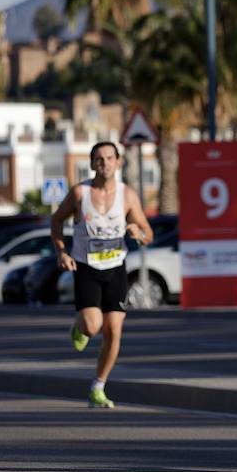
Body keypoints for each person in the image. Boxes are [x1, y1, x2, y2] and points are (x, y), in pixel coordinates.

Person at [51, 141, 154, 409]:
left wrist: (136, 231)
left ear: (119, 162)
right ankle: (79, 326)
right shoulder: (79, 193)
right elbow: (56, 220)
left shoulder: (128, 195)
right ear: (92, 164)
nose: (105, 163)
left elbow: (148, 233)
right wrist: (61, 253)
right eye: (99, 159)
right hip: (86, 267)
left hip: (116, 268)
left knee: (114, 330)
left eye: (110, 158)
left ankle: (98, 386)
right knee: (92, 327)